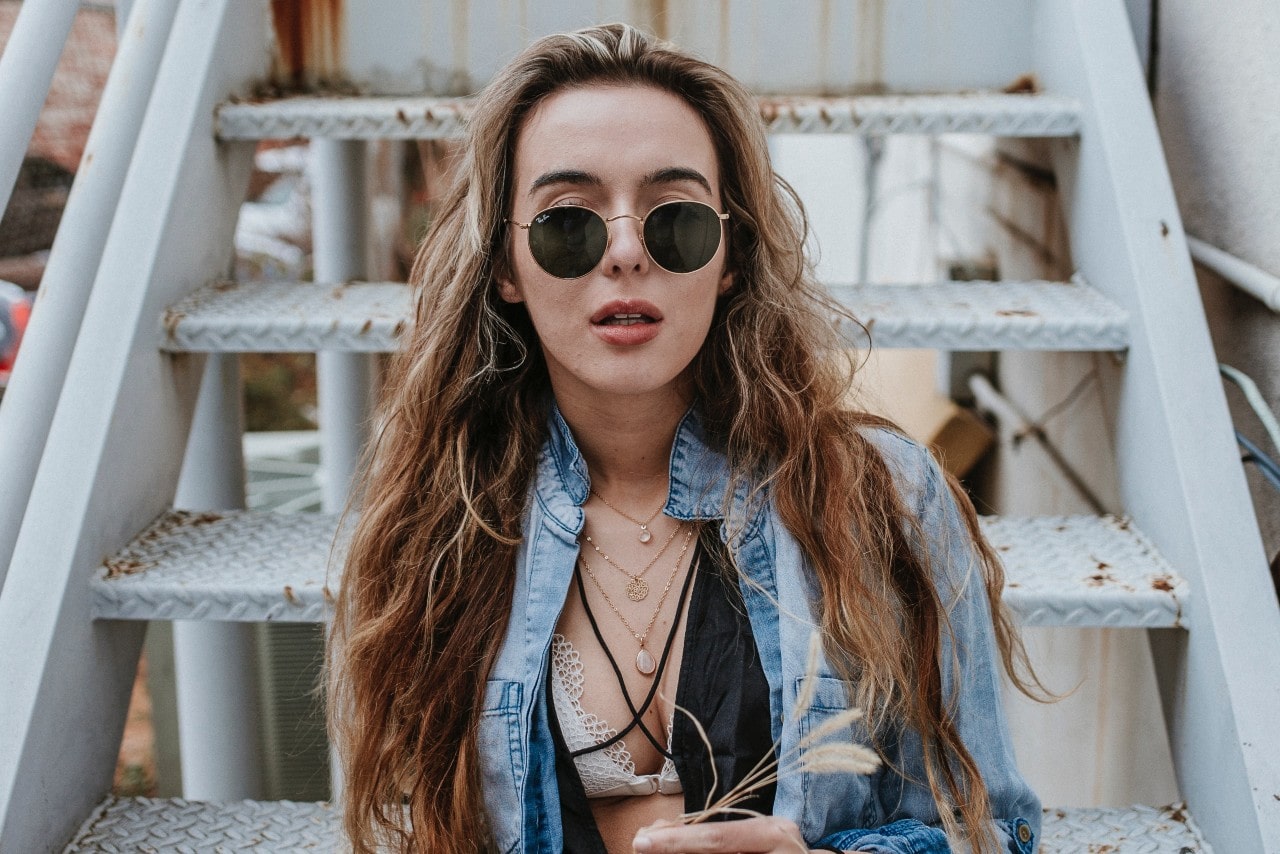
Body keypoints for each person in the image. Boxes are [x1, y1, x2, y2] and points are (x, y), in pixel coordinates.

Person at [329, 23, 1043, 854]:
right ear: (505, 268)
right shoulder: (441, 521)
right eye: (569, 222)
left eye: (676, 219)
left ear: (731, 254)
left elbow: (997, 832)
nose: (628, 251)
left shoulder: (885, 495)